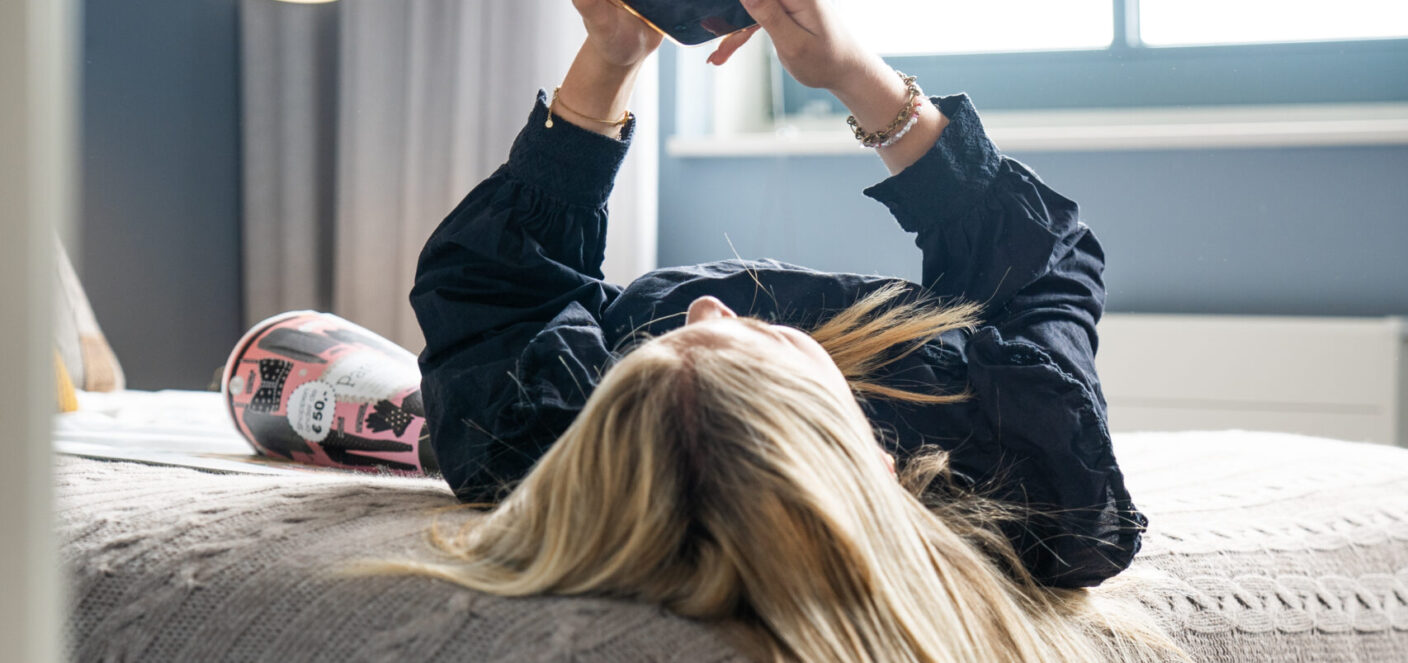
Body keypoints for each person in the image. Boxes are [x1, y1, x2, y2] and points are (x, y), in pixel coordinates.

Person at [402, 0, 1187, 660]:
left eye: (655, 355)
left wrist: (611, 54)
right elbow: (1045, 265)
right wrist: (854, 74)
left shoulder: (549, 442)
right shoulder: (1032, 471)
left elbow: (492, 287)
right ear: (866, 449)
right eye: (744, 346)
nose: (706, 310)